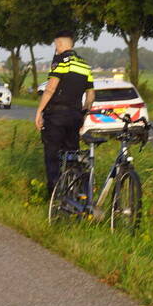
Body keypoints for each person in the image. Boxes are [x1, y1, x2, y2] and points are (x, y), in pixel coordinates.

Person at [36, 30, 95, 195]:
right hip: (75, 116)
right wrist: (84, 112)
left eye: (56, 45)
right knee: (72, 155)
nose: (56, 48)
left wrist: (39, 111)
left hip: (56, 115)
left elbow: (51, 88)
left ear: (61, 44)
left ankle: (54, 194)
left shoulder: (61, 61)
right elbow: (91, 95)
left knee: (52, 154)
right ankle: (73, 192)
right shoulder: (85, 65)